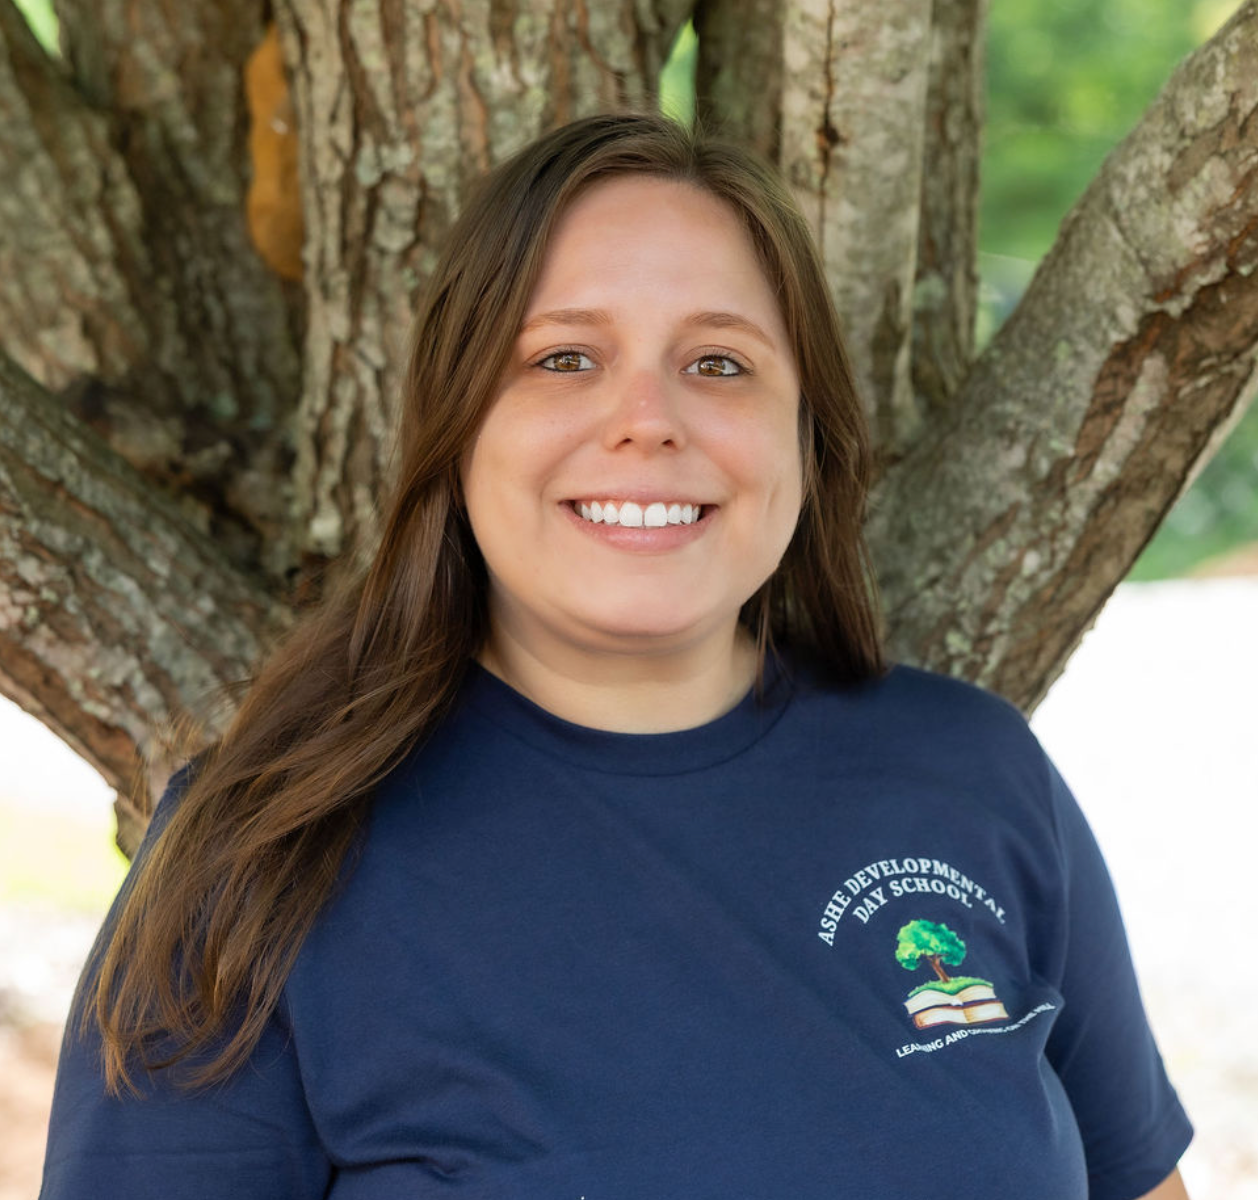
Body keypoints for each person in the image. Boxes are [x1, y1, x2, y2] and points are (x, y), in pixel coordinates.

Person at [40, 112, 1192, 1199]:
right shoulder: (259, 857)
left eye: (719, 364)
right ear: (454, 428)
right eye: (562, 360)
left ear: (809, 435)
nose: (647, 419)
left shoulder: (973, 775)